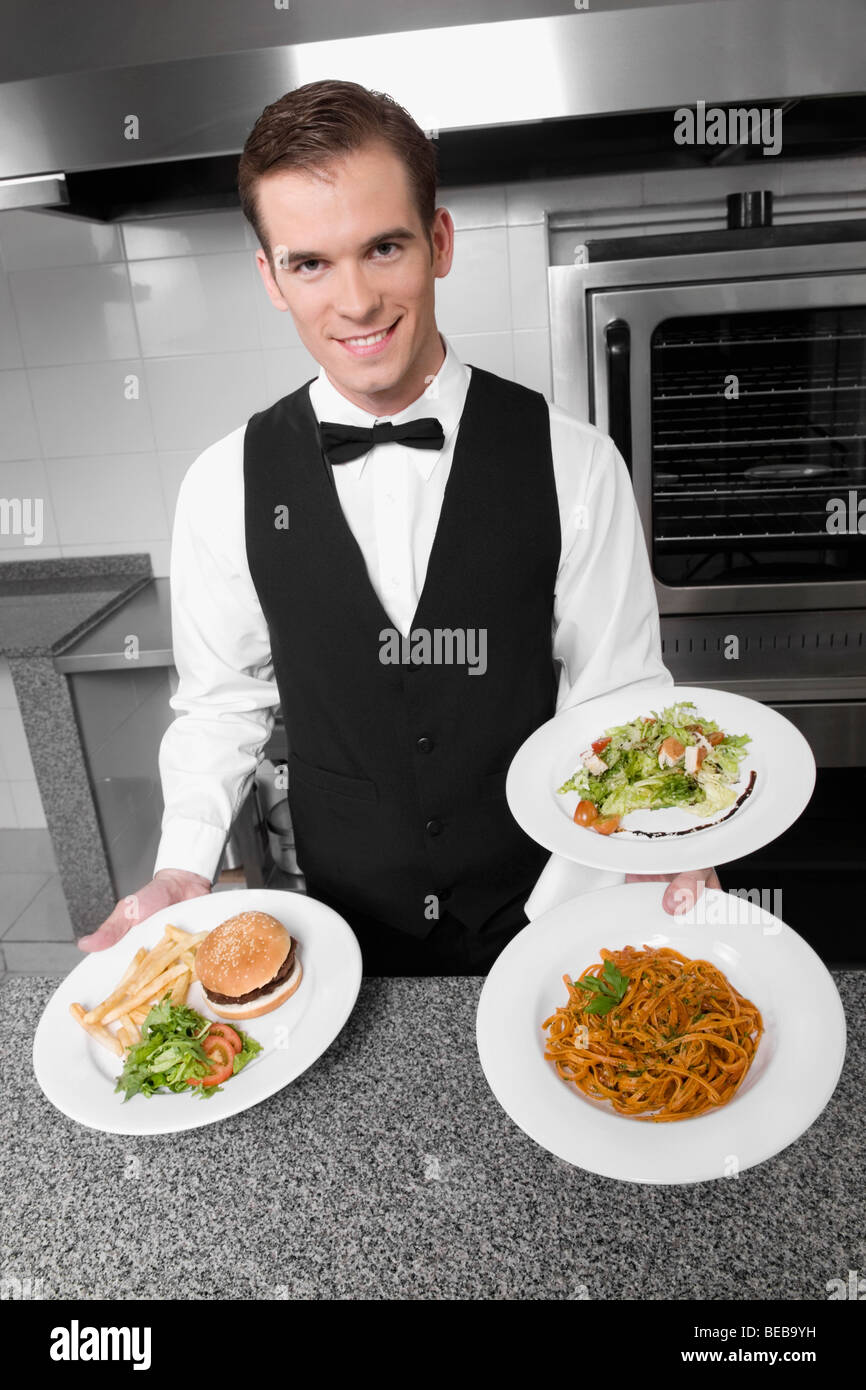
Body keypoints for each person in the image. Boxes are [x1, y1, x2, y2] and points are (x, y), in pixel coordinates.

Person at [79, 78, 720, 973]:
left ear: (440, 242)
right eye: (310, 263)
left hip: (555, 912)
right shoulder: (222, 483)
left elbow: (619, 697)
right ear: (271, 277)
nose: (356, 302)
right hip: (344, 931)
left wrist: (664, 835)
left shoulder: (577, 464)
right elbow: (222, 705)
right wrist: (184, 866)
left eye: (384, 248)